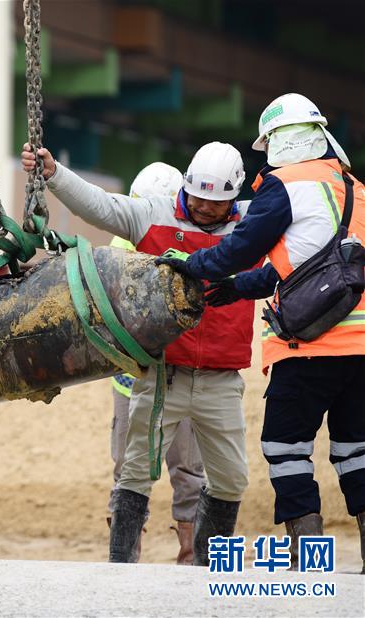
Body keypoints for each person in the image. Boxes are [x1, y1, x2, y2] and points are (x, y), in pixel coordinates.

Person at [156, 93, 365, 571]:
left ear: (279, 141)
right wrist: (237, 290)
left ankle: (309, 564)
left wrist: (191, 265)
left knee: (286, 447)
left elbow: (239, 248)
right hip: (361, 348)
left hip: (308, 346)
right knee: (357, 451)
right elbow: (314, 263)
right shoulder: (353, 187)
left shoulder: (284, 184)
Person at [23, 140, 257, 566]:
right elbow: (99, 206)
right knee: (134, 471)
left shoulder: (254, 226)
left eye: (215, 202)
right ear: (186, 184)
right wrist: (54, 174)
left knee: (231, 480)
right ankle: (122, 568)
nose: (205, 208)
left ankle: (204, 567)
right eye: (199, 197)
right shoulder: (154, 213)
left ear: (234, 197)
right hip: (162, 373)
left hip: (221, 378)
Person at [105, 163, 205, 565]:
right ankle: (127, 555)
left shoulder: (188, 239)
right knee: (130, 470)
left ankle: (190, 555)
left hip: (177, 374)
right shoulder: (120, 245)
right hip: (134, 381)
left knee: (187, 471)